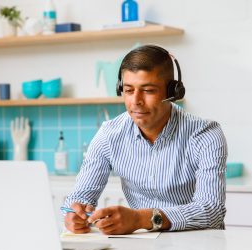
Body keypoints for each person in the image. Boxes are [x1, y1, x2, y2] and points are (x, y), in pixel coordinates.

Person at [63, 44, 228, 235]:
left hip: (197, 249)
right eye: (128, 90)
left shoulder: (206, 135)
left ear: (172, 92)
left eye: (148, 90)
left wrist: (141, 219)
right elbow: (80, 197)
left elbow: (211, 211)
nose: (136, 101)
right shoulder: (109, 135)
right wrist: (74, 215)